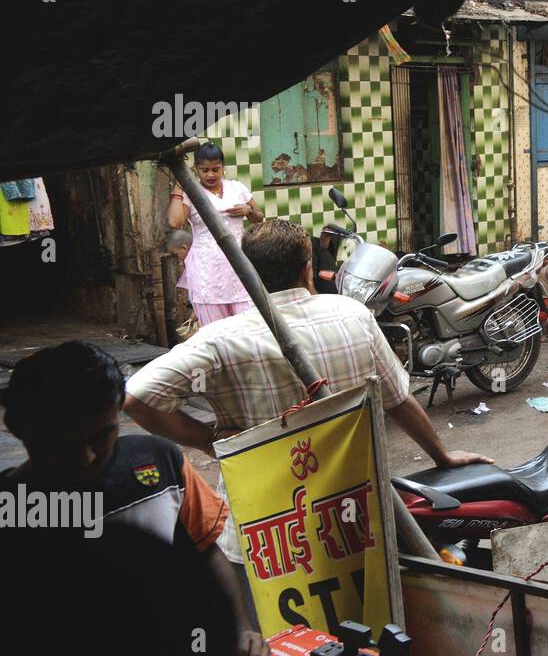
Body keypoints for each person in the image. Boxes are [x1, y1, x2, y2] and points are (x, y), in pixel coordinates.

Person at [123, 220, 492, 558]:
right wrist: (441, 455)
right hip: (355, 518)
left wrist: (210, 440)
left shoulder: (221, 339)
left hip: (267, 533)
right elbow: (399, 400)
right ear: (307, 267)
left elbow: (136, 398)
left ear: (247, 274)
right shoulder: (353, 315)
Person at [0, 341, 270, 656]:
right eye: (62, 443)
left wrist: (239, 630)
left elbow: (204, 552)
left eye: (102, 434)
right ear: (20, 428)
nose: (86, 457)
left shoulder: (160, 462)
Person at [168, 141, 264, 326]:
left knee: (249, 327)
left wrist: (248, 211)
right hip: (207, 273)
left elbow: (258, 218)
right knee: (217, 333)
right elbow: (175, 222)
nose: (211, 174)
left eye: (215, 169)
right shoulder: (192, 193)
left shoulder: (237, 188)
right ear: (196, 169)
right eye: (204, 170)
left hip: (240, 268)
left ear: (223, 167)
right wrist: (180, 184)